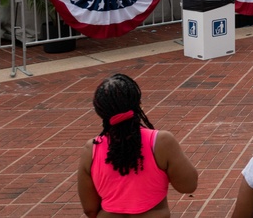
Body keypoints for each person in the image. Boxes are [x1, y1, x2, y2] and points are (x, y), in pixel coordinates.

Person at [77, 73, 198, 218]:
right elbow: (188, 186)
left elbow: (89, 209)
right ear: (139, 104)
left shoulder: (91, 150)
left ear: (100, 112)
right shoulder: (162, 142)